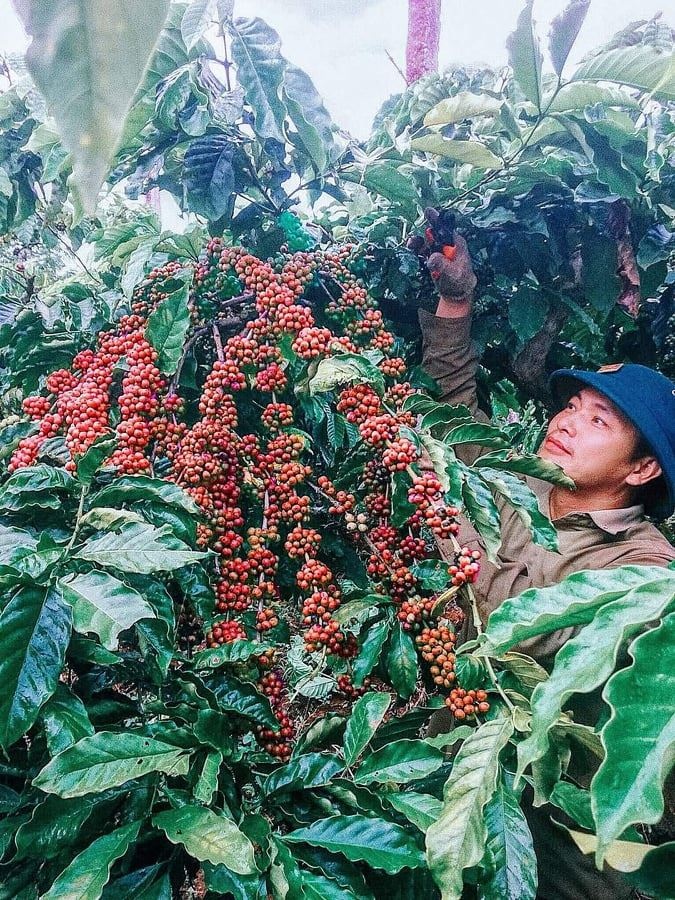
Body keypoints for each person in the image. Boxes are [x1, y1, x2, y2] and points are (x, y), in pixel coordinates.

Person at [419, 233, 675, 900]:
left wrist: (449, 531)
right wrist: (455, 305)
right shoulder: (515, 484)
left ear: (641, 468)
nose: (566, 421)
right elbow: (450, 415)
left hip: (561, 819)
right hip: (456, 756)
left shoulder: (643, 568)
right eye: (569, 406)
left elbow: (515, 633)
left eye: (598, 422)